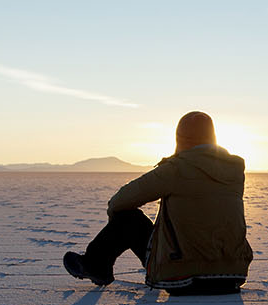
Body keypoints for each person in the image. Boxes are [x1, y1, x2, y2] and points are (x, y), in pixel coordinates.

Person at [63, 111, 253, 294]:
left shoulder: (176, 169)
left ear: (180, 137)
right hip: (232, 277)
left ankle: (95, 266)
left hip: (184, 277)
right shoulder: (234, 173)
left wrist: (115, 221)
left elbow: (120, 201)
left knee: (128, 218)